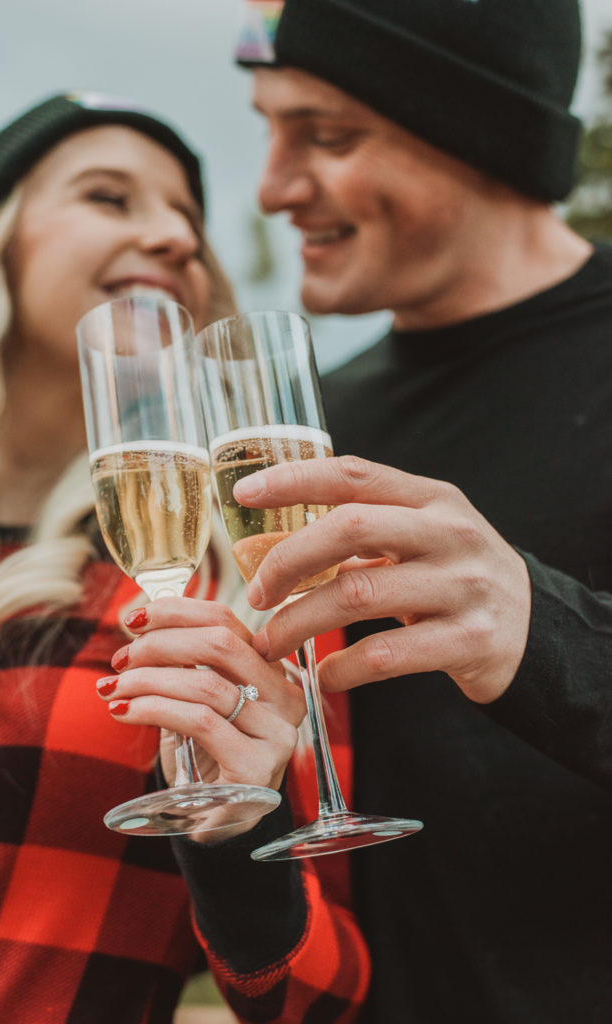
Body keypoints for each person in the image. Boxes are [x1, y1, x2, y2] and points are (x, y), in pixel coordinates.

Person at [0, 92, 369, 1023]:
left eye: (188, 217)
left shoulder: (241, 595)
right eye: (110, 197)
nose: (173, 235)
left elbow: (318, 998)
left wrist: (236, 832)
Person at [223, 0, 612, 1021]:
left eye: (328, 135)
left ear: (477, 128)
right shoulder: (317, 430)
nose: (270, 189)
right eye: (266, 128)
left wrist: (542, 634)